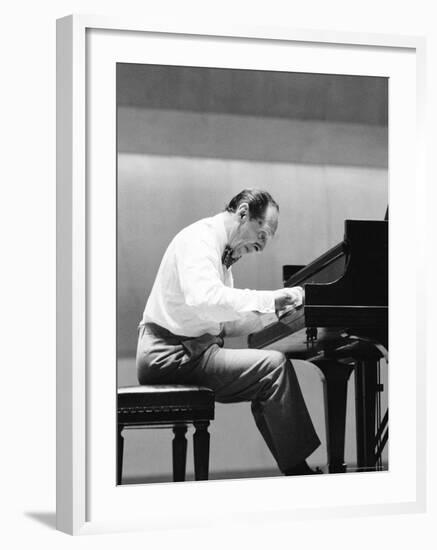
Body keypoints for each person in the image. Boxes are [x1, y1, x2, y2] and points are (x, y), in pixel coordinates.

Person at [136, 189, 321, 475]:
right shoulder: (199, 240)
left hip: (191, 352)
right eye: (262, 236)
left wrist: (277, 313)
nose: (261, 247)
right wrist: (269, 298)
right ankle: (298, 473)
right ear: (244, 213)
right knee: (273, 367)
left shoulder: (220, 253)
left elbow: (223, 323)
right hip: (169, 355)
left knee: (269, 372)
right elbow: (207, 300)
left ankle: (295, 470)